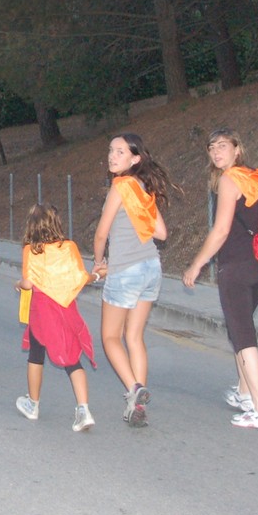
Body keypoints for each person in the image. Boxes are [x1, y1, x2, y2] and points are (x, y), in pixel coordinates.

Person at [182, 128, 258, 429]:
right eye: (211, 147)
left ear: (237, 149)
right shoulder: (253, 178)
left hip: (237, 268)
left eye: (223, 145)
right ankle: (244, 393)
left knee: (243, 337)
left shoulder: (229, 179)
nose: (216, 151)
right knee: (239, 329)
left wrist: (196, 265)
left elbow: (221, 230)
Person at [92, 133, 171, 427]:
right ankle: (137, 405)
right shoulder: (142, 187)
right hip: (151, 267)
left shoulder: (120, 186)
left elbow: (101, 233)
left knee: (110, 337)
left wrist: (99, 262)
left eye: (120, 152)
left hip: (125, 270)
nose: (112, 156)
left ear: (135, 158)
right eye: (111, 150)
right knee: (134, 337)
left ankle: (134, 388)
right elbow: (161, 233)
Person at [14, 204, 99, 432]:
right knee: (72, 358)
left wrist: (19, 284)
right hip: (65, 307)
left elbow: (28, 283)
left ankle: (33, 404)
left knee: (36, 354)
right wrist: (97, 275)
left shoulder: (30, 250)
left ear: (31, 227)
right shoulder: (69, 247)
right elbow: (80, 278)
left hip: (41, 311)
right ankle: (83, 409)